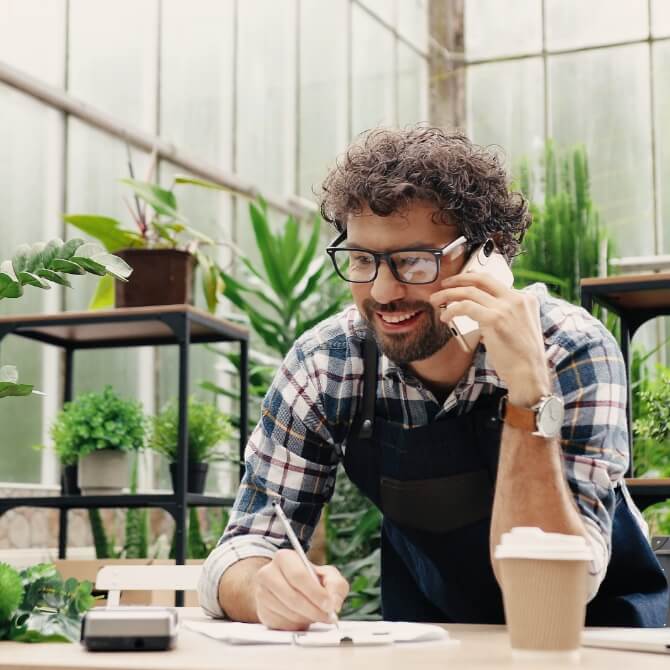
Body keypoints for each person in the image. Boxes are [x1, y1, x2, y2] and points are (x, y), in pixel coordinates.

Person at [198, 126, 668, 629]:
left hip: (595, 638)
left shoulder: (570, 348)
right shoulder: (328, 364)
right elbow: (242, 549)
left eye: (414, 261)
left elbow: (554, 589)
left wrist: (528, 393)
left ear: (487, 257)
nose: (381, 291)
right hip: (435, 640)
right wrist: (263, 587)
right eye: (362, 260)